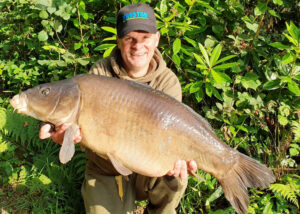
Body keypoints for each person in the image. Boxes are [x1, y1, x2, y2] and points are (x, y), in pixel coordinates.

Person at [39, 3, 197, 214]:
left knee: (175, 177)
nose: (137, 46)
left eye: (145, 38)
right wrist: (63, 131)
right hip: (106, 169)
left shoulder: (168, 83)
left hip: (148, 166)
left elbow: (172, 137)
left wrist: (180, 157)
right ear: (119, 40)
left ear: (156, 39)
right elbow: (72, 111)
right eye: (130, 38)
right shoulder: (99, 74)